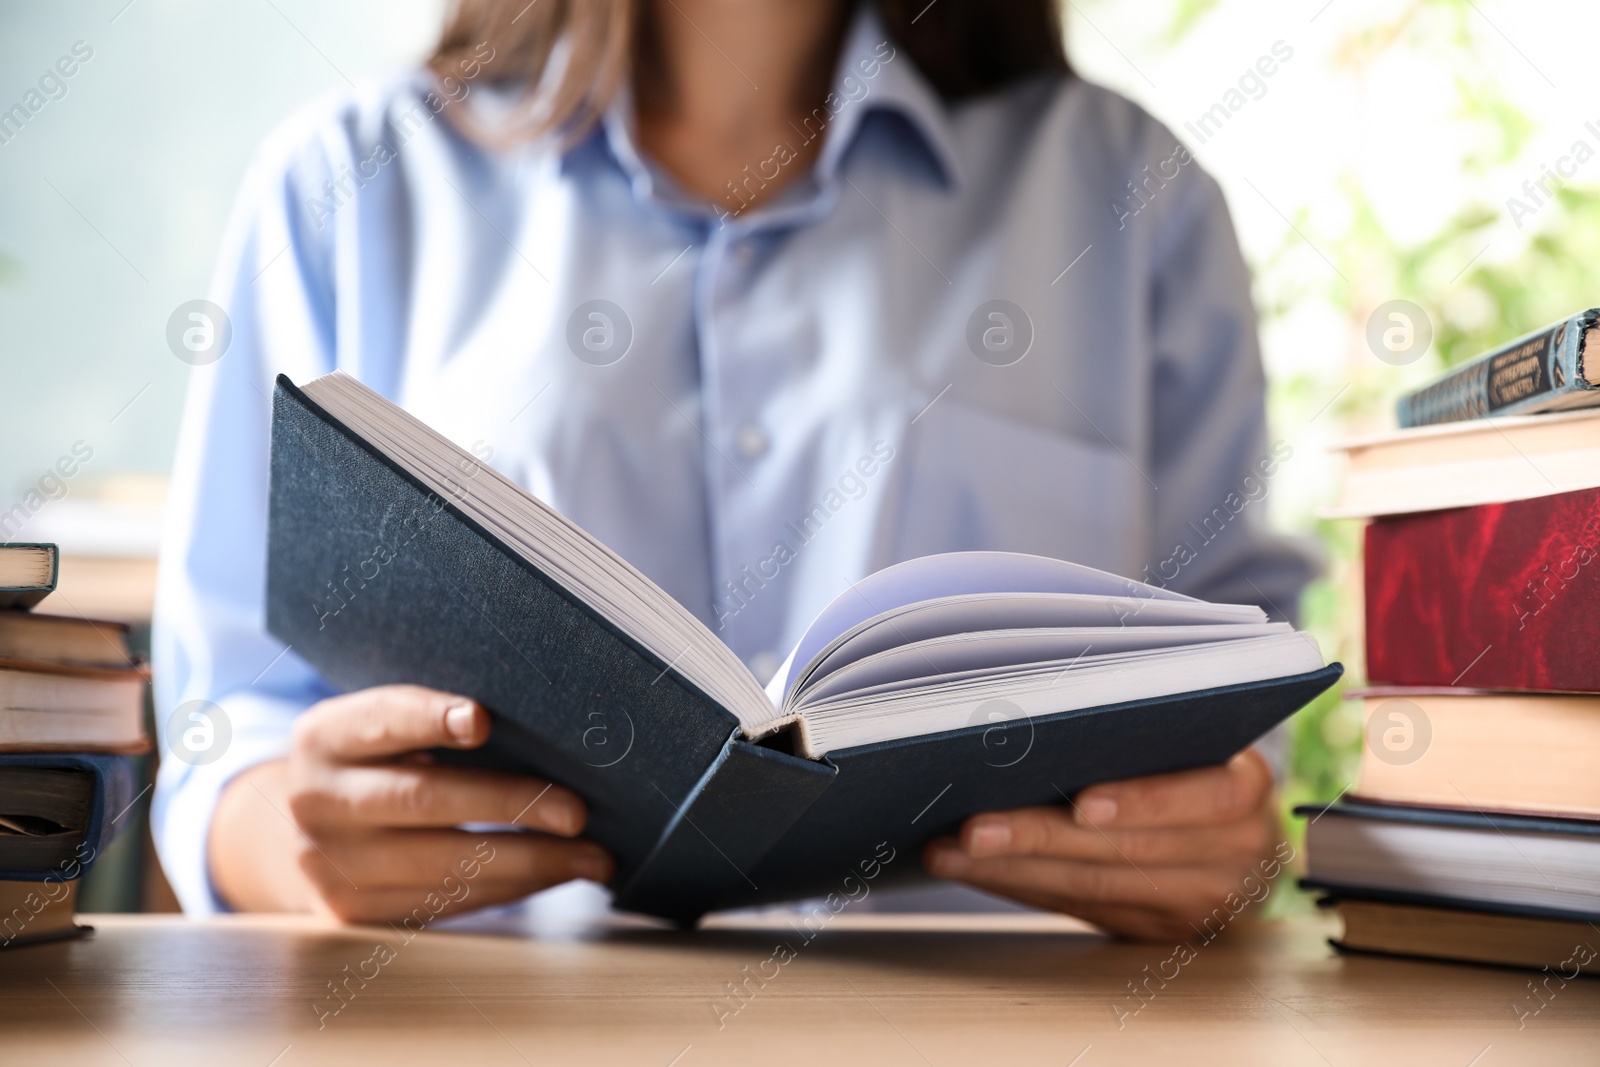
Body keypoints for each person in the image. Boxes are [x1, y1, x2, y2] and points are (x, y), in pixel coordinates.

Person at [153, 0, 1316, 941]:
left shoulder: (1131, 197)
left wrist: (1224, 843)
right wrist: (281, 836)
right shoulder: (343, 185)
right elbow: (225, 725)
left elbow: (1238, 687)